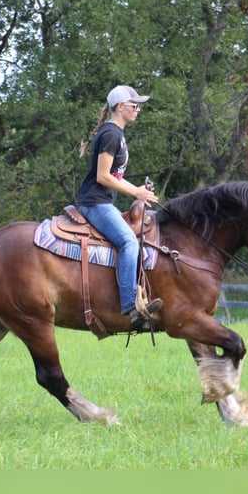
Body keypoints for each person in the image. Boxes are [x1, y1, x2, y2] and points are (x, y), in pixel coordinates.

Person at [77, 85, 163, 329]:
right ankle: (129, 305)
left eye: (139, 105)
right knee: (128, 242)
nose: (138, 109)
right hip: (95, 203)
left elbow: (115, 175)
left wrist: (140, 191)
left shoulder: (116, 134)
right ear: (119, 106)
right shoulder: (111, 135)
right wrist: (135, 192)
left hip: (102, 202)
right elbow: (103, 177)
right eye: (133, 105)